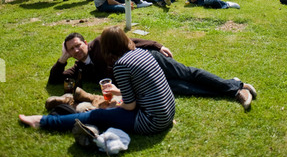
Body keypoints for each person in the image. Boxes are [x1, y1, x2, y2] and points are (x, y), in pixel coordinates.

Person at [20, 26, 176, 135]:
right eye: (70, 49)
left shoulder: (121, 65)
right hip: (167, 113)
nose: (75, 51)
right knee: (107, 106)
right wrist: (117, 92)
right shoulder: (142, 53)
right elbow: (141, 90)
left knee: (96, 116)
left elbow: (130, 106)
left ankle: (42, 121)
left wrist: (109, 110)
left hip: (152, 121)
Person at [47, 31, 256, 110]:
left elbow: (131, 40)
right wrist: (62, 58)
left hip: (149, 59)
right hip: (142, 81)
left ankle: (236, 90)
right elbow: (56, 81)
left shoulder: (101, 42)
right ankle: (235, 85)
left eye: (77, 46)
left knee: (188, 74)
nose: (76, 50)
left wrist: (157, 46)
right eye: (71, 49)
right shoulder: (80, 68)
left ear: (84, 42)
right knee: (182, 88)